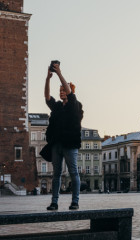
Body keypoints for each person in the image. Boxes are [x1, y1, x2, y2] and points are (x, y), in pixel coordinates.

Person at [44, 62, 83, 210]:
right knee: (56, 174)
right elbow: (47, 97)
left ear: (69, 91)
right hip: (56, 143)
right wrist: (48, 78)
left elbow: (71, 95)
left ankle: (75, 201)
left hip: (70, 143)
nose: (61, 92)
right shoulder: (58, 107)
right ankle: (54, 202)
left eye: (63, 90)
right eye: (59, 90)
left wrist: (59, 73)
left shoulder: (75, 105)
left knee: (73, 172)